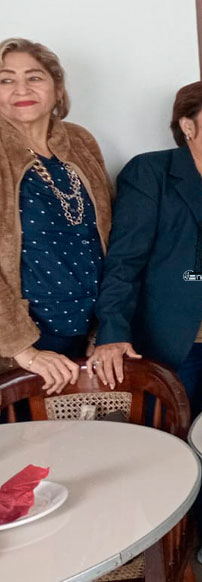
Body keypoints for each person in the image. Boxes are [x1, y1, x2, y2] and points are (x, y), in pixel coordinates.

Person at [88, 80, 202, 567]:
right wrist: (114, 332)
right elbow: (124, 260)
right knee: (186, 442)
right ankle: (190, 548)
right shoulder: (152, 173)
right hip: (180, 340)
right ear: (187, 126)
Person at [0, 38, 111, 394]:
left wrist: (108, 328)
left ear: (57, 89)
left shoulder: (80, 141)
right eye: (5, 79)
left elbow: (109, 235)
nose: (21, 89)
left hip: (90, 332)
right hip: (23, 340)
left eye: (34, 77)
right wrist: (24, 351)